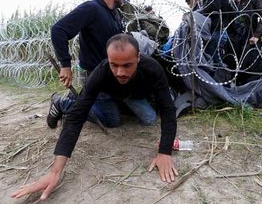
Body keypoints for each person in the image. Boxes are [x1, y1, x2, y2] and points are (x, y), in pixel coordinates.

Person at [11, 34, 178, 200]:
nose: (120, 72)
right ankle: (62, 103)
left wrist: (164, 152)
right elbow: (76, 118)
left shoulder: (153, 69)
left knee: (149, 118)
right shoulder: (101, 72)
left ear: (138, 58)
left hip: (133, 94)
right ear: (108, 60)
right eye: (114, 65)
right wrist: (55, 172)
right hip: (106, 93)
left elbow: (167, 109)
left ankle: (119, 104)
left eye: (127, 65)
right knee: (109, 120)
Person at [46, 0, 127, 128]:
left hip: (108, 74)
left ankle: (79, 98)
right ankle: (62, 104)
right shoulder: (92, 9)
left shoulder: (114, 15)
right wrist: (65, 65)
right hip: (93, 73)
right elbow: (58, 30)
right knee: (112, 120)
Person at [187, 0, 234, 65]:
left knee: (214, 63)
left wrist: (195, 14)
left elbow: (213, 6)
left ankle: (223, 80)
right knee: (214, 61)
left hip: (218, 30)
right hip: (218, 29)